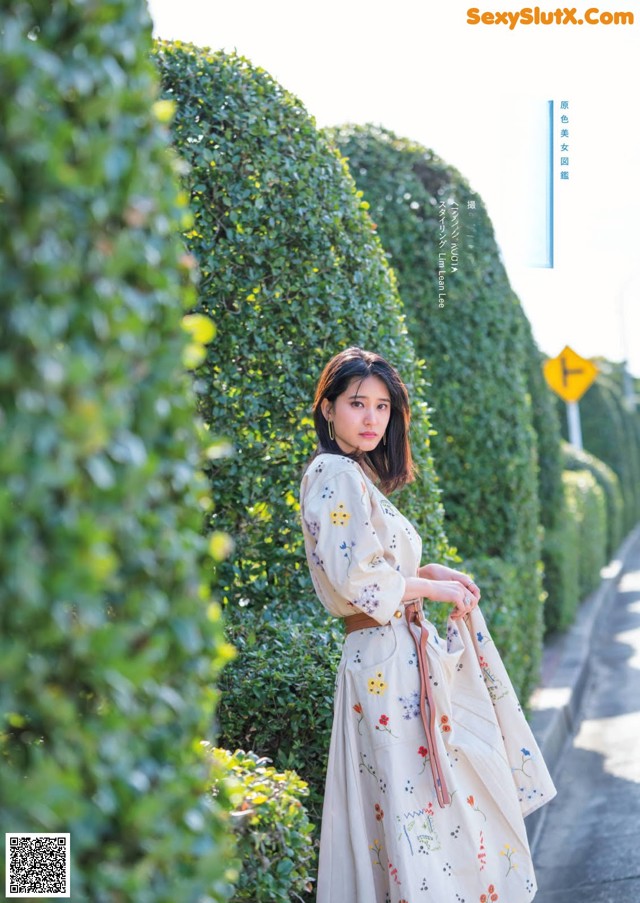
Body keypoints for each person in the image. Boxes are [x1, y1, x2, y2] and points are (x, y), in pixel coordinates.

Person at [299, 347, 556, 903]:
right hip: (383, 662)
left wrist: (429, 573)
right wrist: (432, 589)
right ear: (327, 409)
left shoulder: (355, 476)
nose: (371, 419)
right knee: (414, 810)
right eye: (356, 404)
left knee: (420, 810)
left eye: (382, 407)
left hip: (392, 657)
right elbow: (360, 580)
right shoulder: (335, 471)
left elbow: (379, 569)